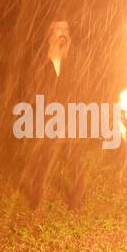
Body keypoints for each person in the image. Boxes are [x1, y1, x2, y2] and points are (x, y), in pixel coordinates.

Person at [20, 19, 86, 210]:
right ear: (50, 33)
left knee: (74, 160)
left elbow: (82, 87)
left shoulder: (75, 58)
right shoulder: (38, 58)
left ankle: (77, 199)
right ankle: (37, 198)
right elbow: (29, 88)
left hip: (70, 117)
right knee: (43, 159)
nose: (63, 32)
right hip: (46, 118)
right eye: (58, 28)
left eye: (66, 28)